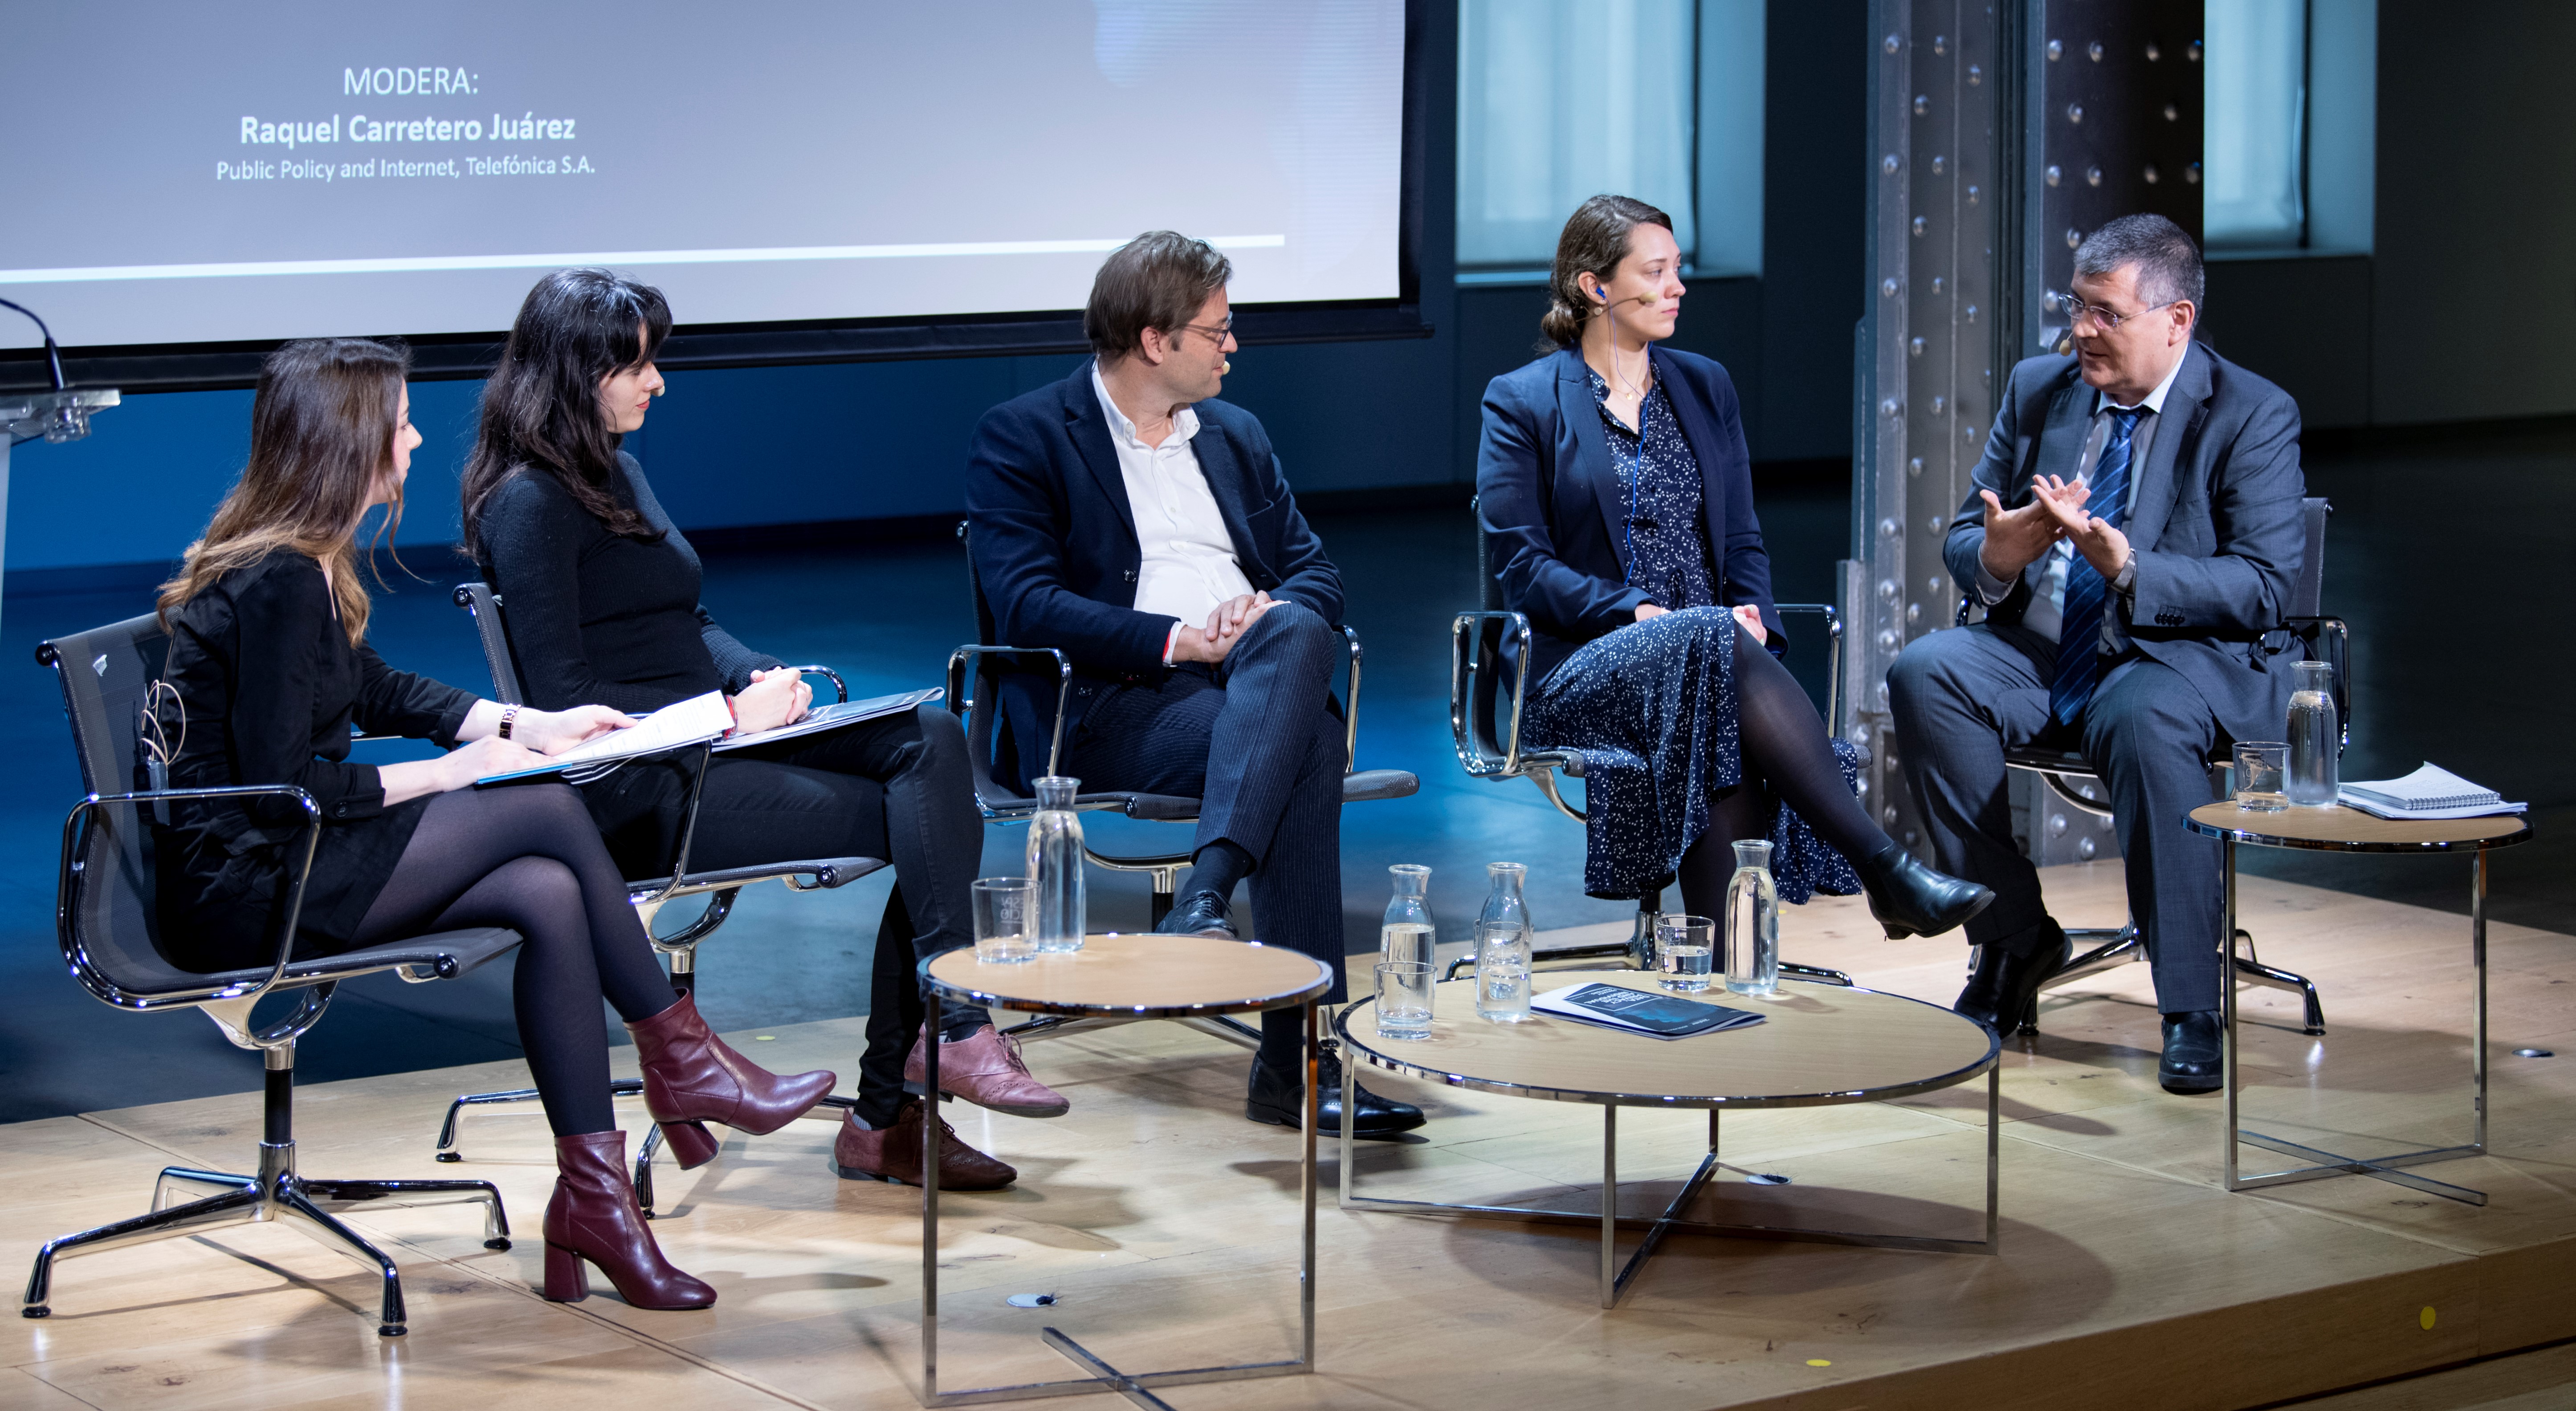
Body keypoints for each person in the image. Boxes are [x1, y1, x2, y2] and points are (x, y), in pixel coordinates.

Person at [152, 338, 832, 1310]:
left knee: (547, 889)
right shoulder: (279, 577)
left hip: (287, 855)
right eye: (400, 425)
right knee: (546, 806)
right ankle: (681, 1059)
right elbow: (278, 789)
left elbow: (373, 684)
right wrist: (451, 773)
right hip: (251, 884)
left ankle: (596, 1203)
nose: (420, 438)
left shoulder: (303, 561)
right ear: (349, 445)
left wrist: (520, 723)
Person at [461, 269, 1050, 1192]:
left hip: (715, 740)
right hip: (646, 787)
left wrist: (751, 675)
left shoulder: (615, 467)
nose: (657, 383)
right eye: (638, 365)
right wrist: (727, 716)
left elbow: (682, 618)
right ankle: (904, 1095)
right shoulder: (530, 503)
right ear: (577, 372)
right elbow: (569, 713)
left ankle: (943, 1035)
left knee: (932, 740)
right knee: (926, 818)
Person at [964, 231, 1422, 1138]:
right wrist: (1179, 640)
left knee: (1293, 624)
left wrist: (1250, 623)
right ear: (1152, 340)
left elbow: (1317, 575)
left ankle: (1205, 898)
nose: (1232, 346)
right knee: (1313, 745)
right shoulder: (1025, 436)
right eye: (1216, 330)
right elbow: (1026, 607)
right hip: (1109, 706)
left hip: (1252, 685)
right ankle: (1300, 1063)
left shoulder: (1237, 437)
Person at [1478, 194, 1995, 936]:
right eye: (1656, 272)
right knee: (1706, 651)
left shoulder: (1705, 384)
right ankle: (1884, 868)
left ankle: (1729, 970)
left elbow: (1745, 542)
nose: (1678, 287)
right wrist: (1637, 611)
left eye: (1678, 269)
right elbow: (1523, 569)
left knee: (1712, 672)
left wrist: (1755, 623)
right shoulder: (1523, 402)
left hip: (1711, 655)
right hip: (1581, 666)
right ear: (1595, 287)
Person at [1886, 213, 2308, 1092]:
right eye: (2076, 307)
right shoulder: (2041, 388)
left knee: (2143, 713)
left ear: (2175, 320)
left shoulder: (2251, 412)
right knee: (1926, 671)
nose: (2082, 330)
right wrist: (2003, 552)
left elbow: (2267, 585)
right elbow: (1971, 536)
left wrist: (2132, 568)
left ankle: (2190, 1004)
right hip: (2044, 649)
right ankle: (2012, 939)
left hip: (2174, 663)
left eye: (2106, 314)